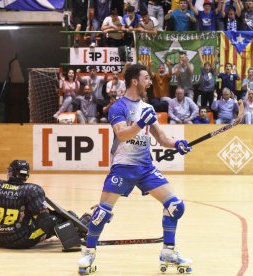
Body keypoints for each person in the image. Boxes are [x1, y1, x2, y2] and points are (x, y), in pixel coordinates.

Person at [78, 64, 193, 274]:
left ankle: (168, 251)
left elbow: (162, 137)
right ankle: (88, 253)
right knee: (102, 213)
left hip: (145, 167)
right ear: (134, 81)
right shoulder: (118, 107)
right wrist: (140, 123)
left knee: (176, 206)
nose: (150, 82)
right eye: (146, 78)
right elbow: (122, 134)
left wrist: (178, 144)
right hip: (123, 167)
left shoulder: (148, 108)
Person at [0, 160, 90, 250]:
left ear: (11, 172)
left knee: (45, 217)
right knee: (56, 218)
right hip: (23, 240)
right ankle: (78, 230)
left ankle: (74, 226)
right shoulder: (32, 190)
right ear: (26, 175)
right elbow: (46, 222)